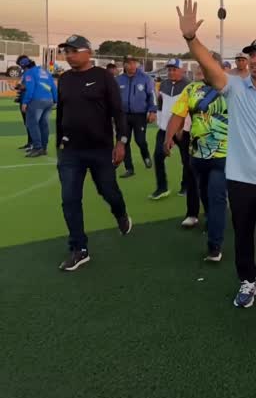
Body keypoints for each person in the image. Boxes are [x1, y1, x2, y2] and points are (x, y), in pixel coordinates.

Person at [176, 0, 256, 339]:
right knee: (243, 239)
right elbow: (211, 67)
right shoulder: (234, 89)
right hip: (240, 181)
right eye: (251, 55)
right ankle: (248, 281)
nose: (255, 60)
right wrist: (191, 39)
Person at [55, 34, 132, 271]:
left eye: (73, 51)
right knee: (69, 199)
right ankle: (79, 248)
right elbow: (61, 113)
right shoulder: (65, 79)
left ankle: (120, 214)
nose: (68, 55)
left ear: (88, 52)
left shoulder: (103, 77)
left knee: (108, 191)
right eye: (66, 52)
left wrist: (121, 142)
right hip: (70, 152)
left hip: (100, 149)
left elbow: (118, 112)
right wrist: (59, 143)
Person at [164, 55, 229, 259]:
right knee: (205, 194)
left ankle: (214, 245)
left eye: (209, 66)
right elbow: (178, 115)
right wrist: (168, 137)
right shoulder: (191, 89)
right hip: (197, 154)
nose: (205, 70)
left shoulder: (232, 88)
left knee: (217, 196)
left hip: (224, 154)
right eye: (202, 66)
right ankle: (211, 217)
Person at [151, 59, 198, 212]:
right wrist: (161, 124)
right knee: (158, 156)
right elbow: (160, 105)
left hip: (183, 131)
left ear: (182, 70)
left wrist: (181, 128)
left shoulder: (189, 85)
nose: (171, 72)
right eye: (169, 69)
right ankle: (162, 187)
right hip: (165, 129)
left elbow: (190, 110)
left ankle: (185, 186)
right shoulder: (163, 85)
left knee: (187, 161)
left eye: (174, 69)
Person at [116, 56, 157, 177]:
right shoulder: (118, 80)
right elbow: (113, 98)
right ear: (124, 65)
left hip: (139, 115)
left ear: (137, 64)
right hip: (123, 116)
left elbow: (152, 95)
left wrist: (153, 111)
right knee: (124, 141)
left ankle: (146, 156)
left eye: (134, 63)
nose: (132, 65)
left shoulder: (145, 78)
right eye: (129, 63)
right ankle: (129, 168)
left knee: (140, 140)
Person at [21, 56, 58, 156]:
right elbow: (54, 87)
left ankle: (37, 147)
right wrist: (56, 100)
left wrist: (25, 102)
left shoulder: (29, 73)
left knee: (32, 124)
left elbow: (30, 89)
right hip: (49, 101)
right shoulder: (45, 72)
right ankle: (44, 148)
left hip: (36, 101)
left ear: (24, 66)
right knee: (44, 124)